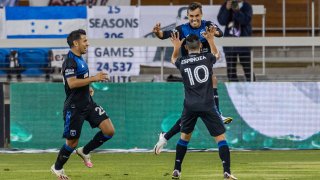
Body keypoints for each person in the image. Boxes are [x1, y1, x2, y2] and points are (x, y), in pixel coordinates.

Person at [153, 2, 233, 155]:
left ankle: (165, 137)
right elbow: (164, 35)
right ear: (188, 16)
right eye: (191, 16)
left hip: (203, 68)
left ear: (201, 15)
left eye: (197, 16)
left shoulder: (207, 25)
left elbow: (220, 32)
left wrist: (213, 33)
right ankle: (218, 113)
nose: (194, 19)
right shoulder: (182, 29)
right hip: (190, 70)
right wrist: (157, 32)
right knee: (210, 84)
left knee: (192, 110)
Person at [169, 29, 237, 179]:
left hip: (190, 106)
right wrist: (211, 40)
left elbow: (173, 59)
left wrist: (175, 47)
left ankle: (177, 169)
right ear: (200, 45)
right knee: (221, 139)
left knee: (184, 138)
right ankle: (226, 171)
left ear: (186, 48)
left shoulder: (182, 62)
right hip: (207, 104)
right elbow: (217, 55)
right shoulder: (207, 58)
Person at [50, 29, 115, 180]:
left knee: (109, 131)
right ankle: (57, 168)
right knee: (71, 143)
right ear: (76, 43)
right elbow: (72, 83)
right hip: (74, 107)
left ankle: (84, 151)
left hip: (88, 103)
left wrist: (88, 87)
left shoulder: (80, 59)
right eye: (85, 41)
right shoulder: (70, 61)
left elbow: (79, 80)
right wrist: (94, 79)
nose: (88, 43)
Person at [217, 0, 256, 82]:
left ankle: (253, 88)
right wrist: (227, 9)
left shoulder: (247, 6)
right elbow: (222, 21)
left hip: (244, 43)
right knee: (231, 71)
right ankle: (233, 92)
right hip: (229, 44)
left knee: (248, 69)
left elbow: (245, 20)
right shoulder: (226, 5)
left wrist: (237, 11)